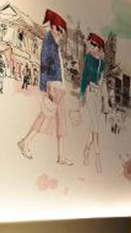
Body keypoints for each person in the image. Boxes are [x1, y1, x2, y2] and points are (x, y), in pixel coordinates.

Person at [18, 9, 72, 166]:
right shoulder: (49, 41)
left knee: (61, 122)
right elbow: (43, 65)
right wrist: (44, 88)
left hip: (59, 86)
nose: (60, 33)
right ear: (52, 26)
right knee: (45, 116)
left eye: (62, 31)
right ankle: (25, 142)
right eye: (58, 29)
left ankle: (61, 156)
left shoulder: (55, 43)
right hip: (52, 85)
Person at [79, 33, 106, 173]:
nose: (91, 46)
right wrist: (81, 95)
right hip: (89, 93)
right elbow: (84, 78)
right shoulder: (88, 58)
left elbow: (102, 82)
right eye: (91, 44)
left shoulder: (102, 63)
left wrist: (104, 100)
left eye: (94, 45)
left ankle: (86, 150)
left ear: (99, 47)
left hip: (97, 96)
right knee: (96, 128)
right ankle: (97, 158)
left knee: (93, 128)